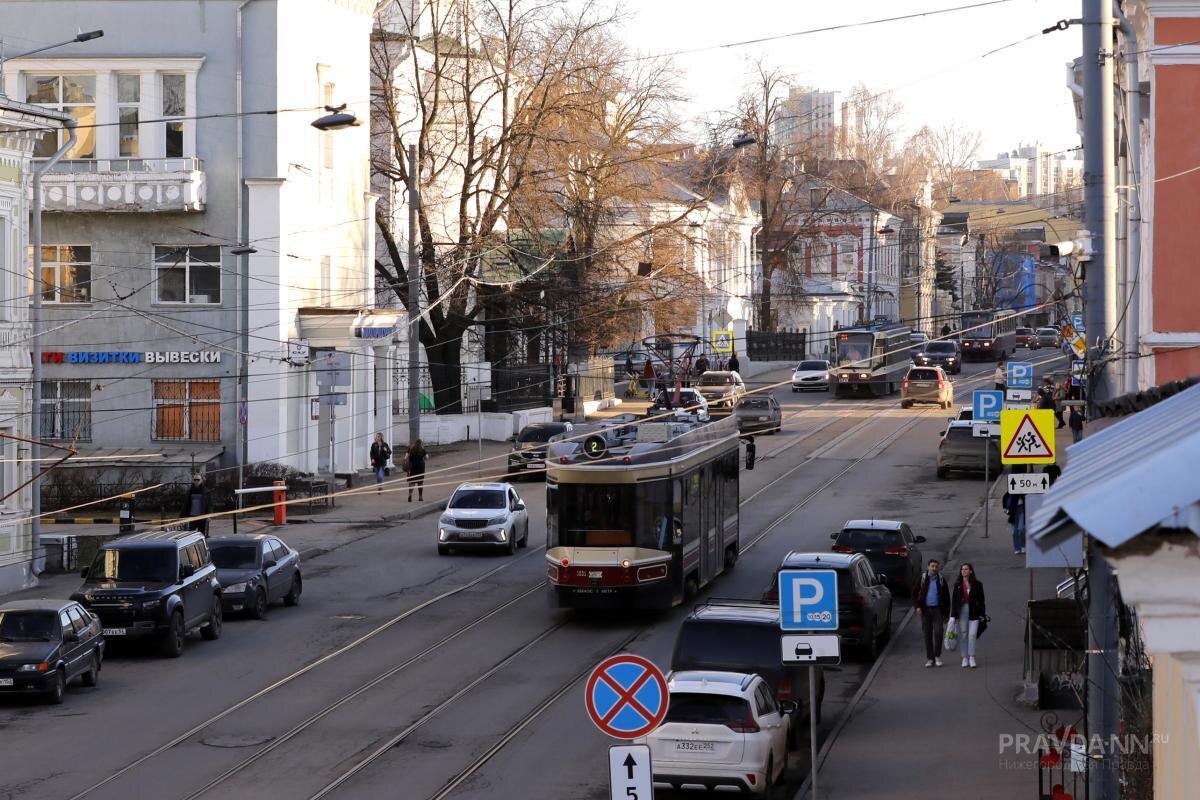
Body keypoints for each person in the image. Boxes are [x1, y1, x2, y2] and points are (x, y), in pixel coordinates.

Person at [913, 559, 950, 667]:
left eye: (936, 566)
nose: (934, 568)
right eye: (932, 566)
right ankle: (930, 658)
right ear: (928, 567)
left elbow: (947, 598)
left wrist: (946, 614)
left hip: (937, 610)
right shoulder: (922, 579)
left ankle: (937, 655)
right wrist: (917, 607)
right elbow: (914, 594)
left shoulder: (941, 580)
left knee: (938, 632)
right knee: (927, 635)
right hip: (925, 611)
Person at [951, 563, 987, 668]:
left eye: (966, 569)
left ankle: (971, 657)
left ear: (971, 571)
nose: (963, 571)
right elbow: (954, 601)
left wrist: (982, 614)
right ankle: (964, 657)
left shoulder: (977, 584)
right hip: (962, 612)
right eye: (962, 569)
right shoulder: (958, 584)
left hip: (974, 612)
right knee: (964, 634)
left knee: (972, 635)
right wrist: (953, 616)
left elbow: (981, 601)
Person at [1003, 485, 1027, 554]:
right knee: (1015, 532)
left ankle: (1023, 546)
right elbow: (1005, 497)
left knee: (1021, 529)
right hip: (1013, 511)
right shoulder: (1012, 489)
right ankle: (1017, 548)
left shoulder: (1025, 487)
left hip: (1022, 509)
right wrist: (1005, 508)